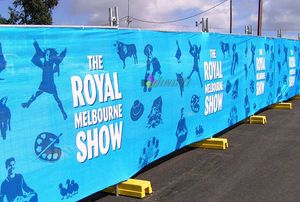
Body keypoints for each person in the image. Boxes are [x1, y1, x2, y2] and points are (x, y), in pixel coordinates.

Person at [22, 41, 67, 120]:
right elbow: (38, 51)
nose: (47, 55)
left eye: (49, 54)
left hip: (50, 83)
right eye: (46, 54)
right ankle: (27, 103)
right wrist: (35, 44)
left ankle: (63, 112)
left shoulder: (52, 62)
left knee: (56, 98)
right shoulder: (44, 62)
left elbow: (60, 57)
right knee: (36, 94)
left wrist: (64, 51)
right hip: (44, 82)